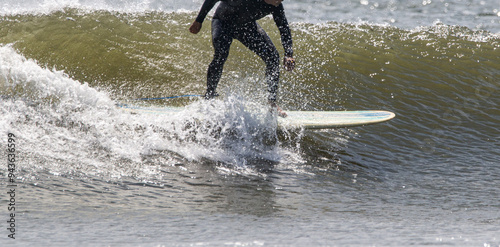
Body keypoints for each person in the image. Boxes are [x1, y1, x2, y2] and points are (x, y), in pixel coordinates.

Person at [189, 0, 295, 117]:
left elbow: (284, 28)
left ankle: (272, 103)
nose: (279, 2)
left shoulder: (276, 5)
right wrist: (199, 20)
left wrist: (288, 54)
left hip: (246, 27)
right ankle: (209, 96)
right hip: (223, 23)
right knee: (221, 55)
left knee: (273, 57)